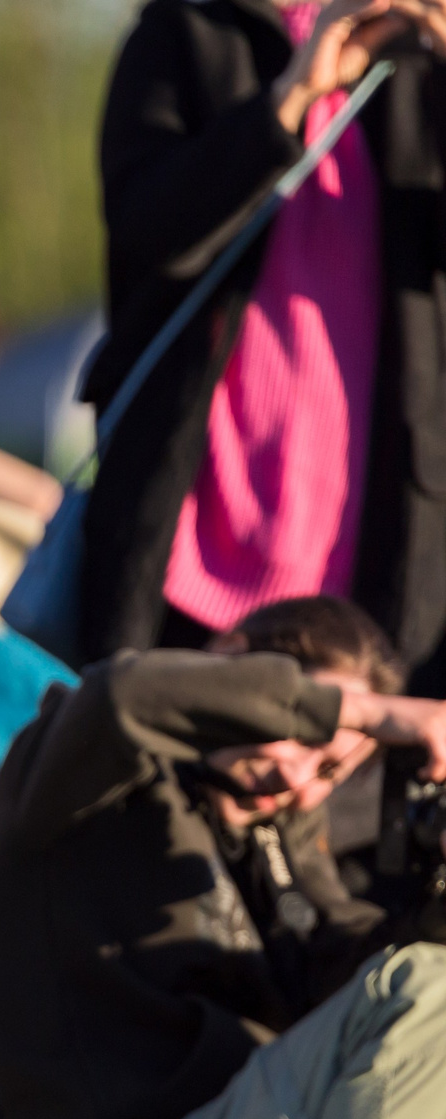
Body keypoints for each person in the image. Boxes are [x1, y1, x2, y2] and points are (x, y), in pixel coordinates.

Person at [0, 597, 446, 1119]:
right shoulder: (79, 780)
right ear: (229, 661)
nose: (301, 777)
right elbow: (124, 695)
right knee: (425, 987)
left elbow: (370, 983)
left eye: (334, 768)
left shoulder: (284, 842)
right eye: (300, 729)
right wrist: (372, 713)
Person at [75, 0, 446, 681]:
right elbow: (147, 235)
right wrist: (289, 98)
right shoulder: (184, 32)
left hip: (383, 540)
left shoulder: (420, 60)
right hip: (190, 542)